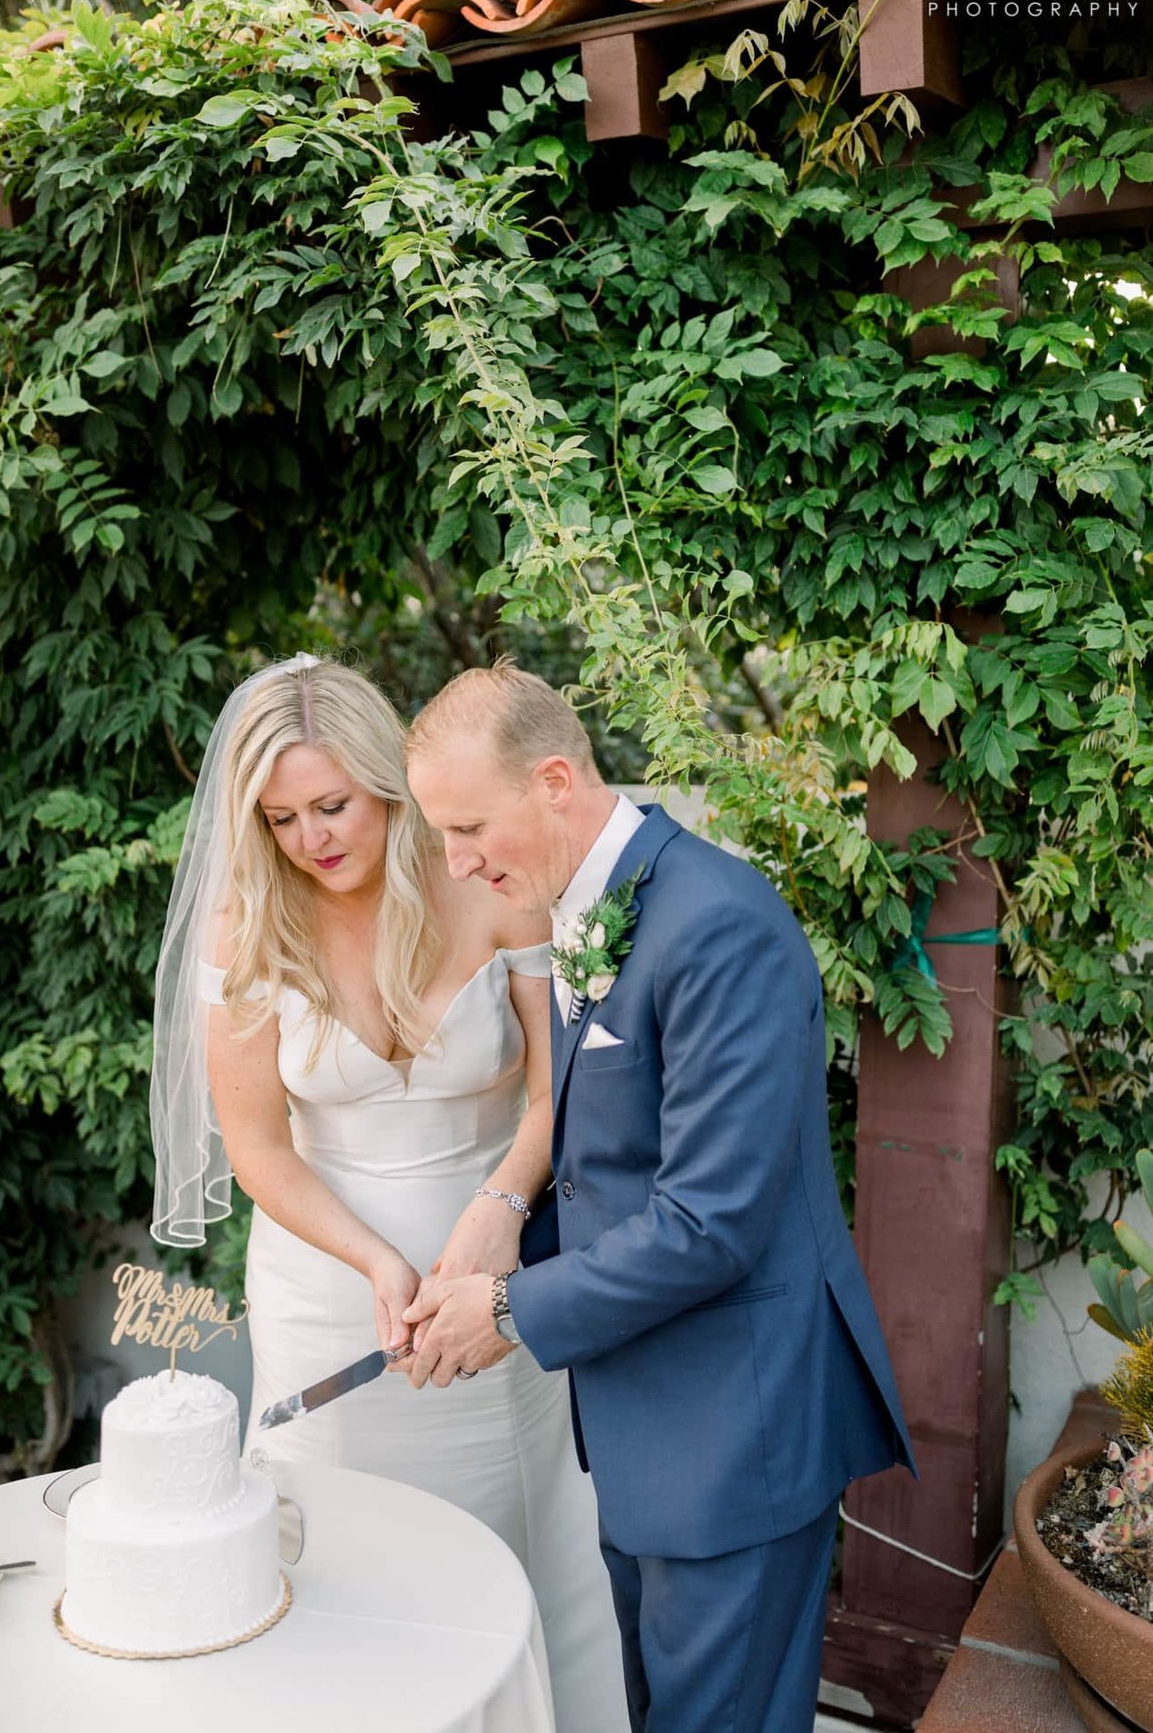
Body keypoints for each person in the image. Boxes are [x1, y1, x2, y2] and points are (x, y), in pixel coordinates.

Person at [403, 663, 917, 1733]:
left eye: (466, 827)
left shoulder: (721, 924)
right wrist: (501, 1238)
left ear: (552, 781)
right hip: (646, 1430)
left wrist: (506, 1316)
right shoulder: (586, 915)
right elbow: (609, 1164)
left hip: (737, 1437)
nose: (455, 863)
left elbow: (708, 1224)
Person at [149, 653, 627, 1732]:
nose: (313, 838)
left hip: (492, 1278)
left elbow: (559, 1101)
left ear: (387, 784)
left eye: (333, 804)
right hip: (328, 1292)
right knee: (351, 1567)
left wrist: (502, 1208)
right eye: (280, 819)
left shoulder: (486, 889)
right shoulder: (248, 932)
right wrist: (375, 1260)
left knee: (518, 1537)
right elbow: (260, 1151)